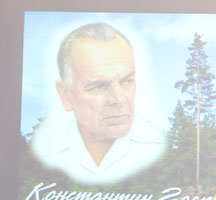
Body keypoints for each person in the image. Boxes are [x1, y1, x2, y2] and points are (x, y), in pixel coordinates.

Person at [31, 22, 164, 185]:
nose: (119, 99)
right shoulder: (45, 153)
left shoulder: (162, 143)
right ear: (66, 96)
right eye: (98, 86)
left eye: (126, 81)